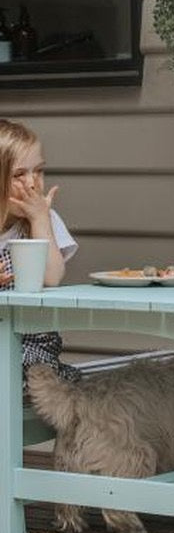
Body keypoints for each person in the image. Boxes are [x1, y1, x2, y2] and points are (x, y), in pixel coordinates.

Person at [0, 117, 81, 384]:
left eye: (39, 171)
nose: (33, 183)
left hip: (31, 343)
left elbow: (52, 277)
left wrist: (39, 219)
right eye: (19, 175)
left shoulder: (43, 220)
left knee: (27, 370)